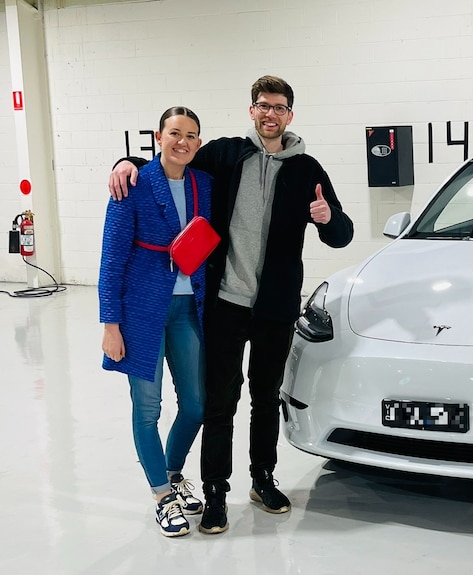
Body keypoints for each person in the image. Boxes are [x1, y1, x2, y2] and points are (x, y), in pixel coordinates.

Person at [109, 75, 354, 535]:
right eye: (263, 105)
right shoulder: (224, 153)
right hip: (224, 302)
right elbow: (170, 161)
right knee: (220, 402)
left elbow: (341, 236)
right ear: (252, 110)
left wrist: (329, 218)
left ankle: (263, 478)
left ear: (290, 116)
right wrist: (127, 162)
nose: (270, 114)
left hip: (276, 307)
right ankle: (216, 490)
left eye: (279, 107)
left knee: (266, 398)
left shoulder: (308, 170)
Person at [99, 106, 213, 537]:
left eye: (190, 135)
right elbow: (111, 259)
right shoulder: (134, 183)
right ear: (157, 136)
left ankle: (172, 471)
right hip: (141, 312)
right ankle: (161, 495)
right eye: (173, 133)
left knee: (197, 404)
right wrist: (111, 324)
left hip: (189, 309)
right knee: (148, 407)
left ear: (199, 143)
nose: (181, 142)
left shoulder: (206, 184)